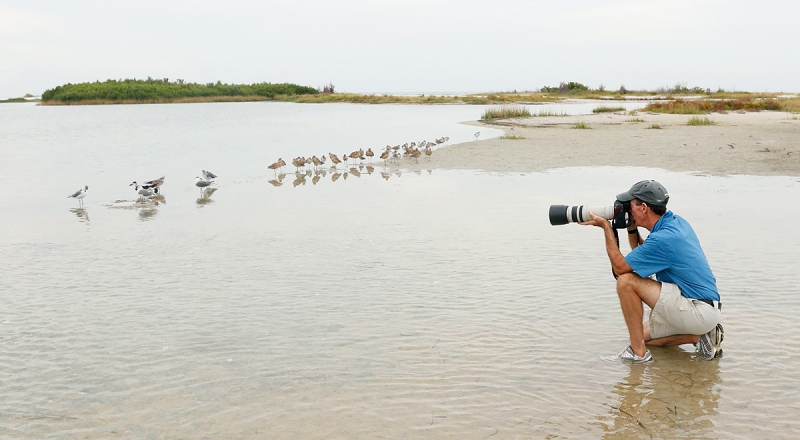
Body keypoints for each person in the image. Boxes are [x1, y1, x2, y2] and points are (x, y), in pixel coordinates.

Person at [581, 180, 723, 363]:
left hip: (697, 310)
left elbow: (620, 269)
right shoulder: (674, 223)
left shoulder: (664, 238)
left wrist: (607, 228)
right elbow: (643, 257)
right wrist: (631, 228)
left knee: (626, 282)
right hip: (705, 309)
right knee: (641, 336)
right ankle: (699, 337)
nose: (627, 210)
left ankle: (638, 354)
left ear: (644, 208)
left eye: (630, 205)